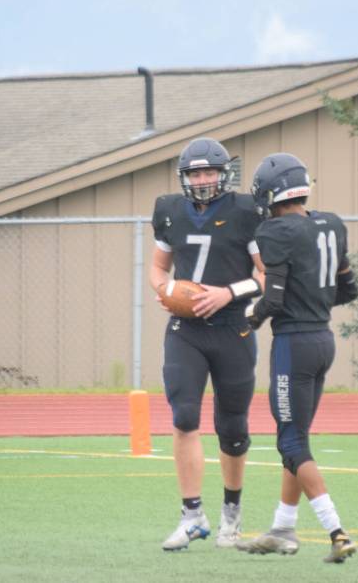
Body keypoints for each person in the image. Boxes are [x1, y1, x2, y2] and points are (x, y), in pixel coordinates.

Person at [236, 152, 358, 564]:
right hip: (324, 339)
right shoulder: (332, 223)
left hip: (294, 345)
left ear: (271, 192)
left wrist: (249, 318)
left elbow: (271, 299)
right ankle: (283, 528)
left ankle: (336, 531)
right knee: (296, 440)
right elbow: (347, 290)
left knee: (290, 440)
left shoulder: (275, 231)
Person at [149, 137, 265, 550]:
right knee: (183, 415)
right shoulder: (168, 211)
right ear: (184, 177)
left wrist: (227, 293)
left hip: (233, 326)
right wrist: (166, 291)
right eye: (194, 173)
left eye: (208, 172)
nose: (201, 179)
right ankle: (192, 515)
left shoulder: (247, 211)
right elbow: (158, 266)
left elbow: (267, 276)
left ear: (223, 173)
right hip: (187, 330)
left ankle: (231, 514)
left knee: (232, 428)